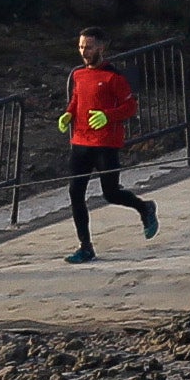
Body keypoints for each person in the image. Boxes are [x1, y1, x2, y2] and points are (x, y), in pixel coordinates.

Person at [63, 25, 157, 265]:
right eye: (81, 46)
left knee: (111, 192)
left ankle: (144, 208)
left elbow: (130, 107)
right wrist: (68, 114)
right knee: (75, 192)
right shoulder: (78, 75)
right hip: (81, 141)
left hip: (105, 142)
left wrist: (108, 115)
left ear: (101, 48)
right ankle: (85, 246)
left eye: (89, 47)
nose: (84, 52)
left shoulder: (114, 77)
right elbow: (77, 98)